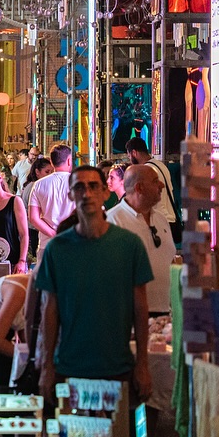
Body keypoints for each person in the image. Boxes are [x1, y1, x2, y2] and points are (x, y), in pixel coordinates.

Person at [36, 166, 154, 409]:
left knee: (118, 433)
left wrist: (143, 363)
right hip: (69, 366)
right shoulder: (57, 249)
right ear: (70, 194)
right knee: (70, 432)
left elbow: (141, 309)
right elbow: (49, 310)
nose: (87, 193)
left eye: (93, 186)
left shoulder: (129, 245)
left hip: (117, 366)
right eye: (79, 187)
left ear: (105, 192)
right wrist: (47, 366)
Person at [106, 165, 178, 314]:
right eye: (155, 181)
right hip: (130, 315)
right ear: (139, 188)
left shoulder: (161, 219)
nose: (162, 185)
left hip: (165, 313)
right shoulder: (112, 221)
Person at [126, 137, 179, 235]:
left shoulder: (146, 170)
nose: (130, 160)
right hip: (170, 218)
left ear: (134, 153)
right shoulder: (161, 165)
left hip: (160, 221)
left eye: (129, 156)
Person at [28, 144, 77, 246]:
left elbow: (33, 218)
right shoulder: (79, 183)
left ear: (51, 161)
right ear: (69, 160)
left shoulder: (39, 184)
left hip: (47, 244)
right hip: (74, 241)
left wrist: (54, 234)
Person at [19, 156, 55, 264]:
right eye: (47, 172)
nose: (50, 175)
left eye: (52, 172)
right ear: (37, 172)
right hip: (33, 230)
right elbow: (33, 214)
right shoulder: (35, 187)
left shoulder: (35, 185)